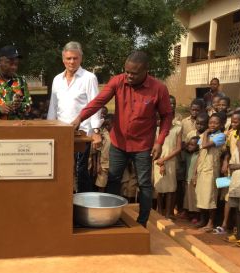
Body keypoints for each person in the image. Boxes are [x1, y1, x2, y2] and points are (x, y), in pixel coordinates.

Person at [71, 51, 173, 226]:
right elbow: (98, 101)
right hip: (118, 143)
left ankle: (142, 222)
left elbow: (167, 116)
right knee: (113, 179)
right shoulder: (118, 81)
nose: (129, 76)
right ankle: (112, 218)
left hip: (143, 145)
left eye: (134, 73)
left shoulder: (158, 89)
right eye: (127, 71)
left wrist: (160, 141)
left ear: (146, 71)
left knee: (144, 184)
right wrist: (80, 117)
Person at [47, 41, 101, 192]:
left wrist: (96, 131)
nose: (72, 62)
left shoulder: (89, 78)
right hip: (60, 132)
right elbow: (53, 106)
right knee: (61, 168)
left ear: (81, 59)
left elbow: (95, 104)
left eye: (75, 58)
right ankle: (63, 201)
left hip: (82, 132)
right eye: (69, 58)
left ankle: (83, 206)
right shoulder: (57, 79)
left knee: (80, 170)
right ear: (63, 59)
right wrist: (49, 127)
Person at [193, 113, 226, 230]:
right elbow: (199, 154)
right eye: (211, 122)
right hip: (202, 169)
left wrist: (206, 133)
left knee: (210, 196)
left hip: (212, 170)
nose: (212, 125)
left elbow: (206, 146)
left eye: (216, 123)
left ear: (221, 124)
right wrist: (195, 173)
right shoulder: (203, 136)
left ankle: (211, 223)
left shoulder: (221, 136)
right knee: (201, 196)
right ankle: (203, 220)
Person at [153, 96, 182, 219]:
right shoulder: (157, 129)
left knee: (171, 188)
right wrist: (160, 162)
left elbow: (178, 148)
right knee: (159, 188)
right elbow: (154, 146)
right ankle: (159, 211)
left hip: (171, 161)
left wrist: (164, 160)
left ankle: (169, 213)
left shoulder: (178, 128)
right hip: (157, 161)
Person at [182, 136, 200, 223]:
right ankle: (188, 213)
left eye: (193, 145)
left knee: (195, 198)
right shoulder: (187, 154)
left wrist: (195, 176)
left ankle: (196, 215)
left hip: (194, 179)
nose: (190, 146)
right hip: (187, 178)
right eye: (189, 144)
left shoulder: (199, 154)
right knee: (188, 197)